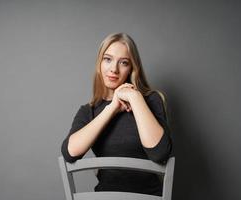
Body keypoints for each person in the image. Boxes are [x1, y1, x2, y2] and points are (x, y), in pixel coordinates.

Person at [61, 32, 173, 196]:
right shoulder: (89, 111)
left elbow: (160, 153)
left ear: (132, 68)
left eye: (124, 62)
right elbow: (70, 153)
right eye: (108, 59)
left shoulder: (151, 100)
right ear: (99, 63)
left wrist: (135, 97)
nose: (114, 69)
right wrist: (112, 108)